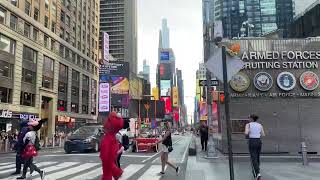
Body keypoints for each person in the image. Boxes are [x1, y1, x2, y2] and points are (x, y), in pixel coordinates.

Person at [100, 112, 127, 180]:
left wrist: (103, 156)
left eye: (108, 120)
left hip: (108, 155)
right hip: (112, 153)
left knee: (107, 169)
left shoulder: (109, 137)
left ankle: (117, 172)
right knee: (108, 170)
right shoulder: (113, 136)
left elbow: (105, 151)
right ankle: (116, 172)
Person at [244, 114, 265, 180]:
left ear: (252, 119)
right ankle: (257, 171)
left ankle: (258, 173)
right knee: (257, 157)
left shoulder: (248, 125)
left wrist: (249, 131)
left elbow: (246, 133)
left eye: (249, 118)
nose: (248, 119)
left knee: (253, 158)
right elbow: (263, 134)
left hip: (252, 141)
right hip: (258, 141)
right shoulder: (260, 125)